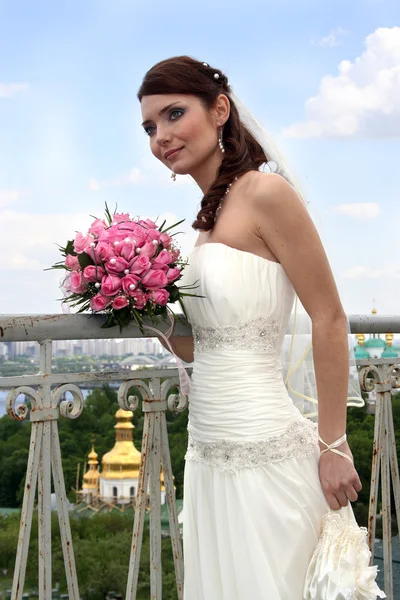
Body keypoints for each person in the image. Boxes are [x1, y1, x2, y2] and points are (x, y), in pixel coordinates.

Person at [138, 56, 385, 600]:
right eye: (151, 127)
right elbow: (206, 345)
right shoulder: (209, 218)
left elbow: (329, 316)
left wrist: (334, 443)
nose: (162, 136)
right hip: (208, 452)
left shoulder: (266, 193)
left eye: (175, 114)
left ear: (220, 109)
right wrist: (134, 305)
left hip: (266, 448)